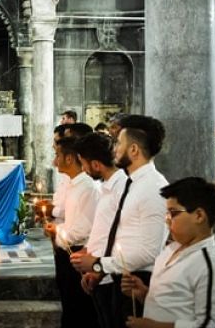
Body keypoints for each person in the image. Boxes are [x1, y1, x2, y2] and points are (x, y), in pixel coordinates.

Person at [80, 114, 169, 328]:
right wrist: (100, 270)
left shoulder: (153, 188)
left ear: (134, 150)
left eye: (119, 143)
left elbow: (149, 251)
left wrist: (99, 264)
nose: (114, 149)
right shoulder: (134, 183)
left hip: (137, 281)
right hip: (120, 277)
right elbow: (121, 235)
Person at [121, 177, 215, 328]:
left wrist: (154, 326)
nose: (167, 220)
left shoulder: (211, 267)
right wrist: (144, 294)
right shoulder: (171, 249)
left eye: (173, 213)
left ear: (199, 216)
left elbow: (211, 325)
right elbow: (176, 304)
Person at [69, 133, 128, 327]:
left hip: (110, 274)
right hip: (97, 270)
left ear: (95, 164)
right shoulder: (105, 186)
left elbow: (119, 235)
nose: (83, 169)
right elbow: (102, 229)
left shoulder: (123, 188)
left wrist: (98, 268)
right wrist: (88, 253)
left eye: (83, 163)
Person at [44, 136, 99, 328]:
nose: (54, 160)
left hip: (78, 252)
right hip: (68, 250)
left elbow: (83, 229)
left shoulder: (87, 187)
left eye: (57, 155)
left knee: (78, 311)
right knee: (69, 307)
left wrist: (56, 230)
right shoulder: (74, 185)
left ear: (69, 159)